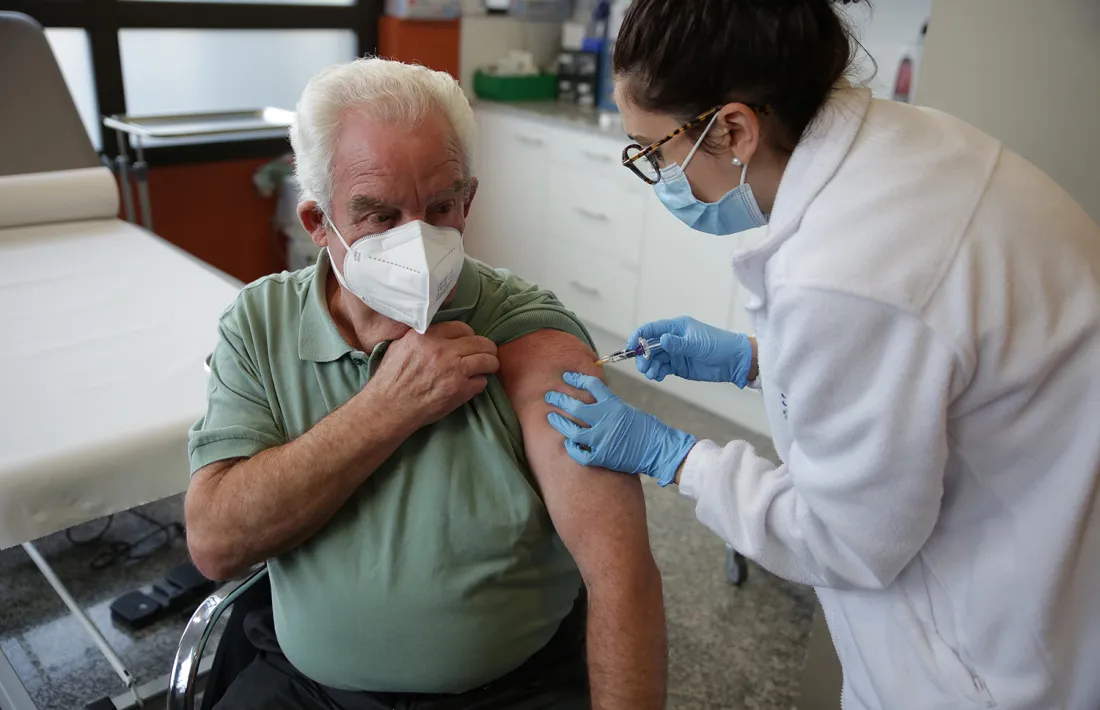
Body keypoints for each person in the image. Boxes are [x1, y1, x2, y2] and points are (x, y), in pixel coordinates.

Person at [545, 0, 1100, 708]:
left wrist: (676, 456)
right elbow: (924, 375)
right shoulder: (909, 145)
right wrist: (755, 359)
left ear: (736, 129)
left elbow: (846, 542)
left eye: (654, 153)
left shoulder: (844, 272)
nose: (663, 178)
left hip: (994, 653)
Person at [185, 58, 667, 710]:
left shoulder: (529, 336)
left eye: (440, 207)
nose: (416, 242)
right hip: (305, 690)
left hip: (506, 692)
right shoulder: (261, 323)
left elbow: (623, 578)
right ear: (317, 223)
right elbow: (215, 542)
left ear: (469, 199)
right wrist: (389, 408)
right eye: (379, 217)